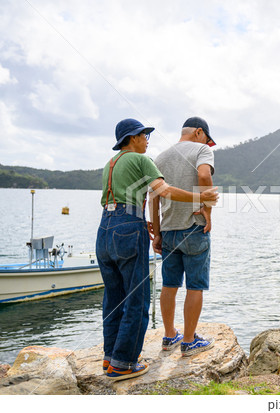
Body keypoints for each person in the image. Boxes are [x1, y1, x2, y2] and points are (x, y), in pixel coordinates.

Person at [96, 118, 218, 381]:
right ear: (132, 138)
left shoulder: (110, 163)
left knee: (114, 298)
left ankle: (111, 357)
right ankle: (124, 364)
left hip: (105, 229)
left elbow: (151, 197)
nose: (147, 140)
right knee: (137, 300)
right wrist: (203, 199)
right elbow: (165, 190)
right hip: (129, 227)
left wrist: (157, 228)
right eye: (143, 135)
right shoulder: (141, 160)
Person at [151, 116, 216, 357]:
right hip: (194, 227)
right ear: (199, 132)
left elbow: (154, 197)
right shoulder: (201, 150)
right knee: (195, 286)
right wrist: (207, 210)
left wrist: (157, 233)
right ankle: (189, 341)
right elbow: (203, 177)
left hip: (168, 231)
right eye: (208, 140)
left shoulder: (161, 157)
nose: (208, 145)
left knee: (169, 285)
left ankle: (169, 336)